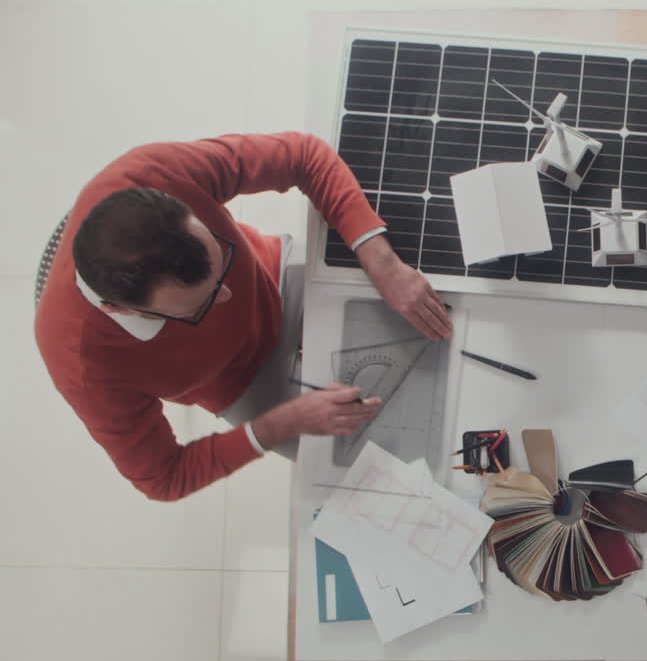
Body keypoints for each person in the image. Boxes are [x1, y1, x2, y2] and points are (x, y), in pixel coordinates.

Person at [34, 132, 452, 501]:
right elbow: (164, 478)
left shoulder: (153, 171)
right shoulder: (82, 363)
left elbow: (303, 156)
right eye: (198, 307)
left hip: (275, 272)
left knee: (452, 319)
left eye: (222, 260)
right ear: (122, 309)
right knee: (393, 472)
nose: (230, 296)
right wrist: (277, 425)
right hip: (242, 384)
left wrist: (382, 263)